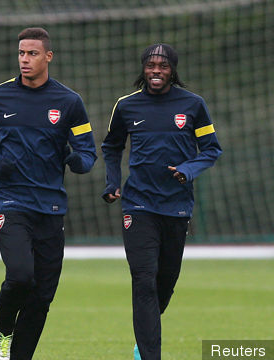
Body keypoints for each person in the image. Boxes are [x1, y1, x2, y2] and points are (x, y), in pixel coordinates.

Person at [0, 27, 97, 360]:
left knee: (43, 296)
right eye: (22, 53)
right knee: (21, 275)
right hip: (8, 200)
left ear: (48, 56)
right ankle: (2, 333)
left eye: (33, 53)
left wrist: (75, 160)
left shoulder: (69, 102)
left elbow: (87, 153)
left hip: (51, 205)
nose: (25, 59)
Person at [101, 43, 222, 360]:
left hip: (177, 206)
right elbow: (111, 146)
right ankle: (148, 354)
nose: (156, 70)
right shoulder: (126, 106)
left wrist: (187, 170)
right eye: (151, 65)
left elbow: (211, 149)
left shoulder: (193, 105)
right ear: (143, 69)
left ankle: (145, 336)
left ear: (173, 71)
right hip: (138, 204)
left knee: (164, 282)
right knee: (143, 280)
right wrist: (113, 182)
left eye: (163, 66)